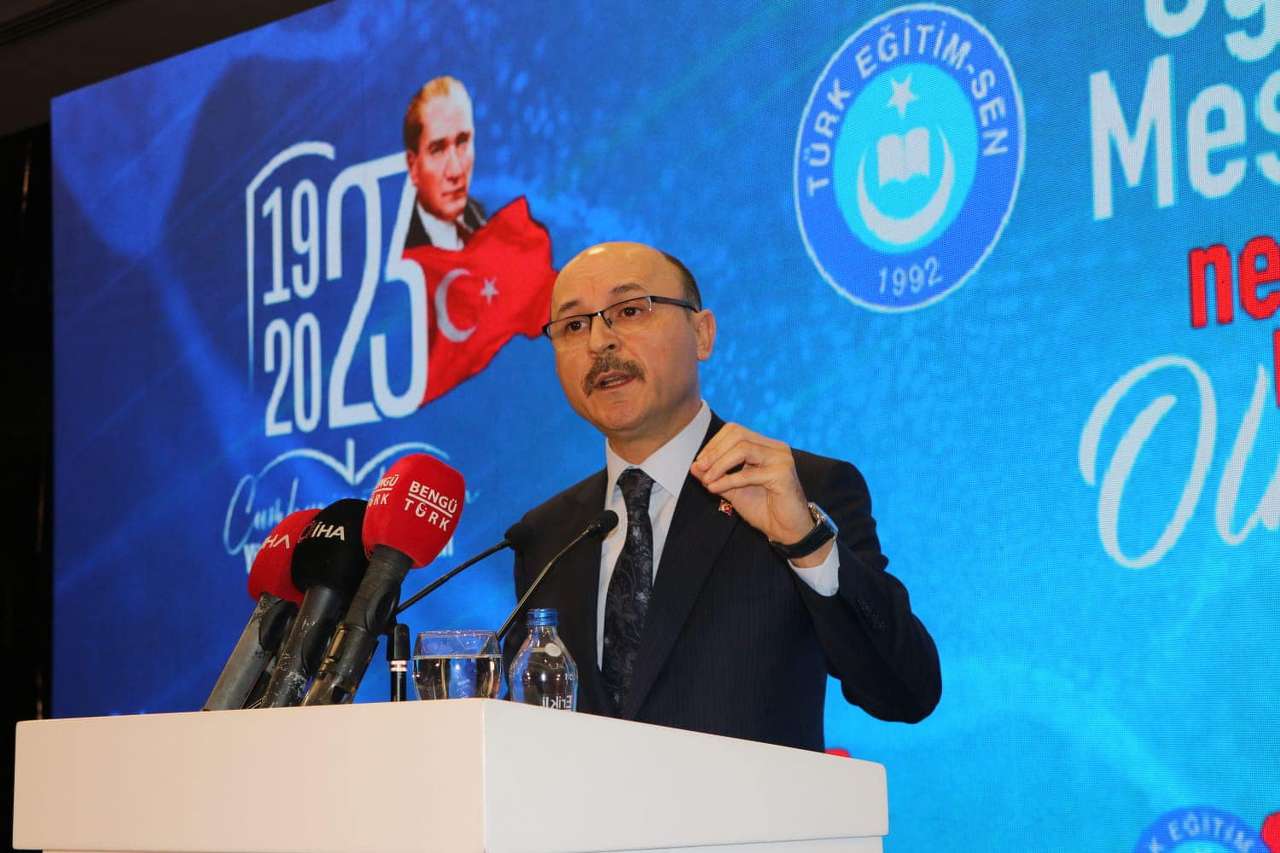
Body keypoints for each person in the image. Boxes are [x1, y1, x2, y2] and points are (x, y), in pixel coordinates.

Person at [505, 241, 941, 751]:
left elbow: (905, 692)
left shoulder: (802, 490)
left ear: (702, 334)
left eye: (629, 310)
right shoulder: (546, 536)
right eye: (574, 325)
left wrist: (806, 543)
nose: (599, 341)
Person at [402, 76, 486, 250]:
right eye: (438, 150)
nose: (455, 171)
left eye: (462, 142)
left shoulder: (483, 221)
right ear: (413, 166)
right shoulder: (397, 250)